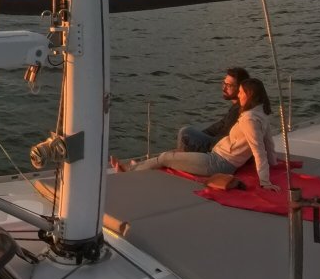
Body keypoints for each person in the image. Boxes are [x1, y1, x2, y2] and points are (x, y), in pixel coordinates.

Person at [113, 78, 281, 188]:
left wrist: (265, 181)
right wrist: (274, 164)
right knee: (182, 138)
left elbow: (259, 150)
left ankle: (129, 171)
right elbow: (269, 143)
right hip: (217, 155)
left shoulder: (249, 120)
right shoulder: (261, 114)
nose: (239, 95)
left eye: (242, 92)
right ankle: (139, 166)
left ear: (250, 95)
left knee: (165, 157)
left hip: (218, 163)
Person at [177, 66, 249, 152]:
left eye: (229, 85)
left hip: (220, 149)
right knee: (195, 130)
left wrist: (198, 142)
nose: (224, 88)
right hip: (218, 142)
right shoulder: (236, 107)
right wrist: (200, 135)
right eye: (224, 83)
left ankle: (180, 157)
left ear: (240, 88)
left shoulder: (238, 111)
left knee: (185, 132)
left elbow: (224, 139)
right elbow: (218, 126)